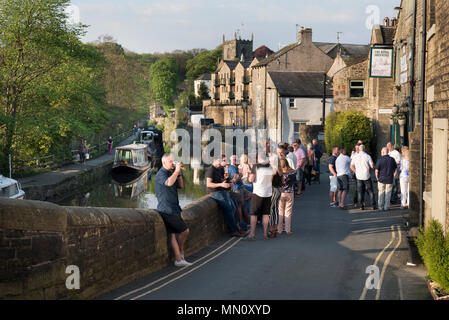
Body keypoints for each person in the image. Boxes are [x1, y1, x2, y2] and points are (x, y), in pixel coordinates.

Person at [155, 154, 192, 267]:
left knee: (173, 235)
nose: (173, 163)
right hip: (167, 210)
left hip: (174, 208)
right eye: (171, 161)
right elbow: (169, 183)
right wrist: (176, 171)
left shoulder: (171, 173)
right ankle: (180, 250)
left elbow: (180, 186)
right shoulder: (160, 174)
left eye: (173, 161)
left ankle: (178, 259)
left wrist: (179, 173)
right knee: (185, 231)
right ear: (164, 162)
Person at [206, 157, 247, 237]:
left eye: (224, 160)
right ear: (214, 160)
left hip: (223, 191)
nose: (224, 162)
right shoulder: (211, 170)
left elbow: (224, 180)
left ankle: (237, 228)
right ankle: (234, 231)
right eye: (222, 160)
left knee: (234, 206)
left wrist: (230, 182)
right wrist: (221, 184)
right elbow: (208, 184)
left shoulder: (221, 169)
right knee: (229, 208)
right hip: (215, 192)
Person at [243, 155, 274, 241]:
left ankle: (252, 234)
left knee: (254, 214)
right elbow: (271, 179)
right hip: (268, 193)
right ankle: (265, 234)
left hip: (258, 193)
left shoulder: (256, 166)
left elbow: (251, 179)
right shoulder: (270, 167)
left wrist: (250, 176)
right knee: (265, 214)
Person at [350, 145, 377, 210]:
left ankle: (361, 206)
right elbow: (372, 166)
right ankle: (373, 205)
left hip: (359, 176)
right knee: (370, 191)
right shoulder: (368, 156)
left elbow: (351, 166)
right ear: (364, 149)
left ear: (359, 150)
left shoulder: (355, 156)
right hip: (366, 175)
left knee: (360, 191)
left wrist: (356, 171)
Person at [267, 146, 285, 238]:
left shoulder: (272, 170)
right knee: (275, 210)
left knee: (270, 210)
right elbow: (283, 181)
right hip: (278, 190)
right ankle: (275, 229)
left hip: (273, 190)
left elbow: (269, 183)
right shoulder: (280, 169)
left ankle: (271, 230)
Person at [229, 155, 250, 231]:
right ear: (231, 160)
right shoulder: (232, 168)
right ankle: (242, 223)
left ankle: (246, 221)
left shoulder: (235, 167)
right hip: (237, 189)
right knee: (239, 206)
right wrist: (240, 175)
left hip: (241, 187)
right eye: (234, 159)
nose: (235, 160)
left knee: (251, 195)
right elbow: (235, 179)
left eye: (236, 159)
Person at [375, 147, 398, 211]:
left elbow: (376, 170)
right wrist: (394, 176)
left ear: (382, 152)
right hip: (390, 179)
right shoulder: (392, 159)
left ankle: (380, 207)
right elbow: (396, 169)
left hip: (381, 179)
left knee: (381, 193)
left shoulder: (379, 160)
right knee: (388, 193)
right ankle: (386, 207)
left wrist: (377, 178)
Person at [278, 159, 297, 235]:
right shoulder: (293, 171)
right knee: (288, 211)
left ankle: (279, 229)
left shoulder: (279, 173)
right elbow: (295, 181)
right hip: (290, 192)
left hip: (281, 193)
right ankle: (287, 229)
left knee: (280, 212)